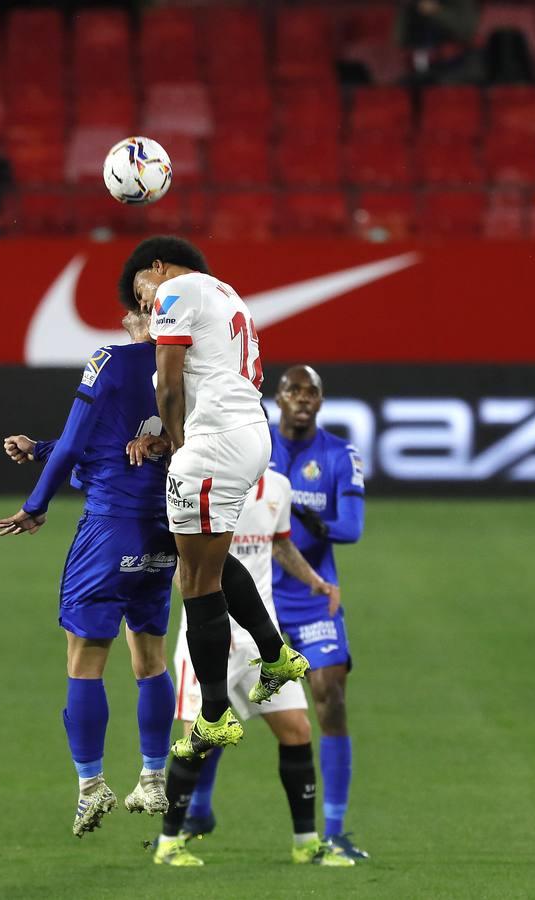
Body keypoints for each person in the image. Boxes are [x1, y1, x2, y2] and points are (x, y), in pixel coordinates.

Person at [118, 236, 309, 760]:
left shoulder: (175, 290)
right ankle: (275, 657)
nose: (144, 305)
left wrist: (177, 447)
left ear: (158, 267)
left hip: (212, 445)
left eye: (141, 290)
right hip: (249, 436)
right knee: (211, 559)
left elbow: (170, 383)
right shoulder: (228, 295)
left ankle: (214, 715)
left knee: (194, 578)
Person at [0, 310, 177, 836]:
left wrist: (35, 504)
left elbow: (79, 446)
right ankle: (153, 776)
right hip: (162, 529)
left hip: (108, 529)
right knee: (150, 658)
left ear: (150, 314)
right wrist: (40, 450)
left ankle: (91, 787)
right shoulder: (189, 368)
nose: (128, 307)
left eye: (139, 297)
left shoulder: (111, 360)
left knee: (85, 659)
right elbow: (106, 446)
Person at [147, 466, 355, 867]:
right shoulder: (200, 488)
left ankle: (306, 843)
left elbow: (279, 545)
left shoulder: (278, 486)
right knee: (199, 740)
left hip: (263, 642)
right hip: (207, 640)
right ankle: (169, 842)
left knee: (297, 730)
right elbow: (182, 559)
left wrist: (314, 580)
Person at [269, 365, 369, 862]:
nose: (303, 399)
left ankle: (334, 829)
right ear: (279, 397)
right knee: (214, 707)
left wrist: (303, 516)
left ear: (321, 402)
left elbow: (351, 528)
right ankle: (193, 814)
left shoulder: (339, 455)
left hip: (312, 598)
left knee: (329, 695)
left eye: (312, 393)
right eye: (294, 391)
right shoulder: (253, 446)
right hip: (256, 596)